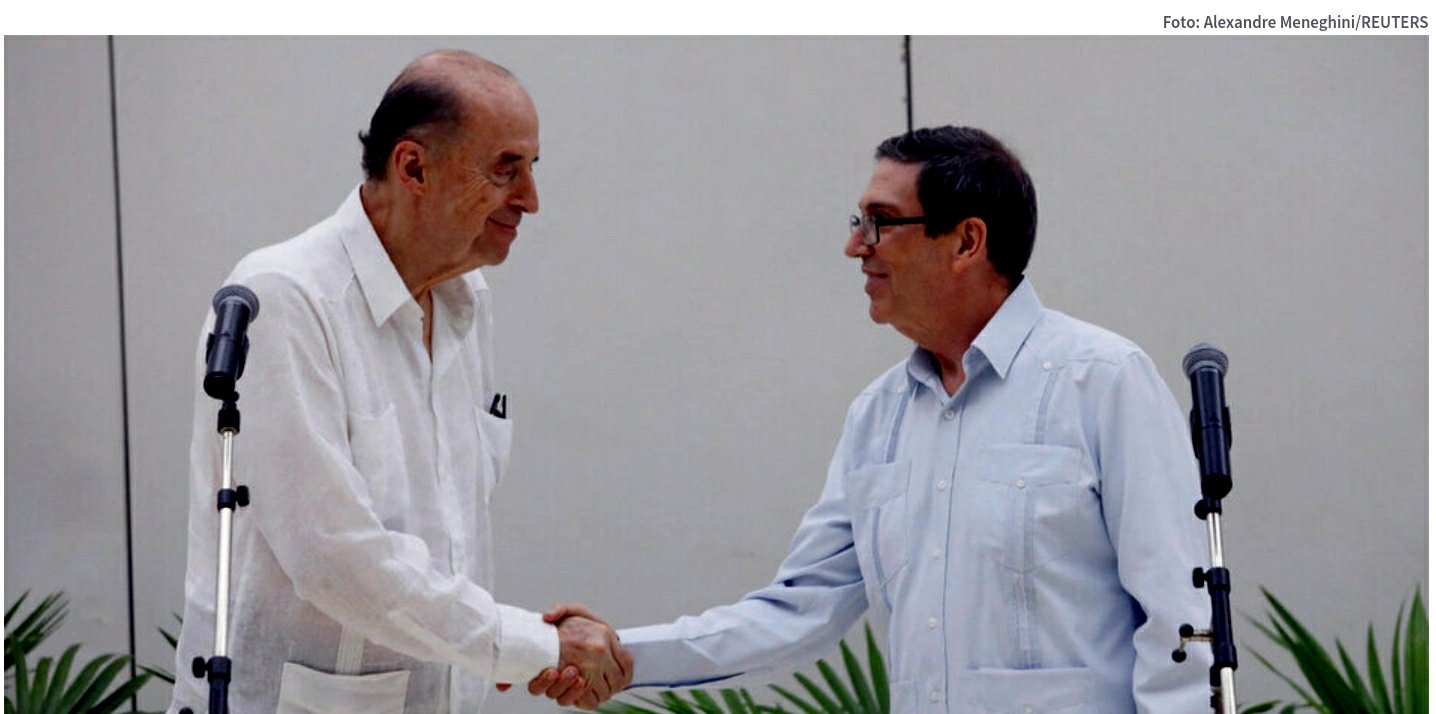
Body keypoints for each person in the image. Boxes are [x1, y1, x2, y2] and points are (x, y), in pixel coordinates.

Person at [528, 126, 1211, 712]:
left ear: (966, 241)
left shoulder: (1102, 382)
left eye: (880, 222)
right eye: (857, 222)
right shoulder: (879, 417)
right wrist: (622, 655)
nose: (856, 246)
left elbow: (1182, 621)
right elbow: (798, 610)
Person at [169, 50, 630, 713]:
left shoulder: (467, 301)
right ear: (413, 167)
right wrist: (530, 645)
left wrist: (525, 646)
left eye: (532, 168)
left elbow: (449, 544)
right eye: (506, 170)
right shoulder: (286, 298)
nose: (530, 199)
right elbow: (335, 557)